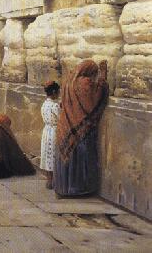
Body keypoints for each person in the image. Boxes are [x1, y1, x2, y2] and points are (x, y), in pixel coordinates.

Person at [54, 59, 109, 198]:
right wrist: (103, 77)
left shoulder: (68, 82)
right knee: (79, 159)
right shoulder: (85, 83)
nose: (94, 77)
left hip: (65, 125)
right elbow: (95, 99)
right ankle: (77, 190)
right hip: (81, 129)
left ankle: (63, 188)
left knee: (66, 156)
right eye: (94, 73)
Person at [40, 81, 61, 189]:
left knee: (47, 155)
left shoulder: (45, 104)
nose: (59, 94)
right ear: (54, 92)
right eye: (58, 92)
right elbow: (60, 118)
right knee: (53, 154)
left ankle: (49, 180)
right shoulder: (54, 105)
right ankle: (54, 181)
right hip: (54, 131)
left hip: (46, 131)